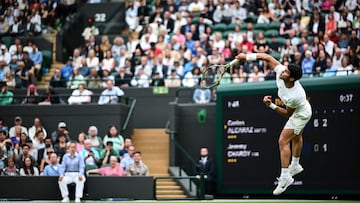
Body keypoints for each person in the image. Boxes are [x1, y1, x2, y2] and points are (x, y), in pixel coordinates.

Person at [232, 52, 312, 195]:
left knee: (283, 140)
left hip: (302, 114)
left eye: (287, 72)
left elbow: (288, 114)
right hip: (303, 109)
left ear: (292, 78)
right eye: (285, 69)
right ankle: (295, 165)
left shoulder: (295, 96)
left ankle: (285, 177)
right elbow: (267, 57)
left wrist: (271, 105)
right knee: (297, 135)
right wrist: (246, 57)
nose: (283, 71)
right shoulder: (282, 72)